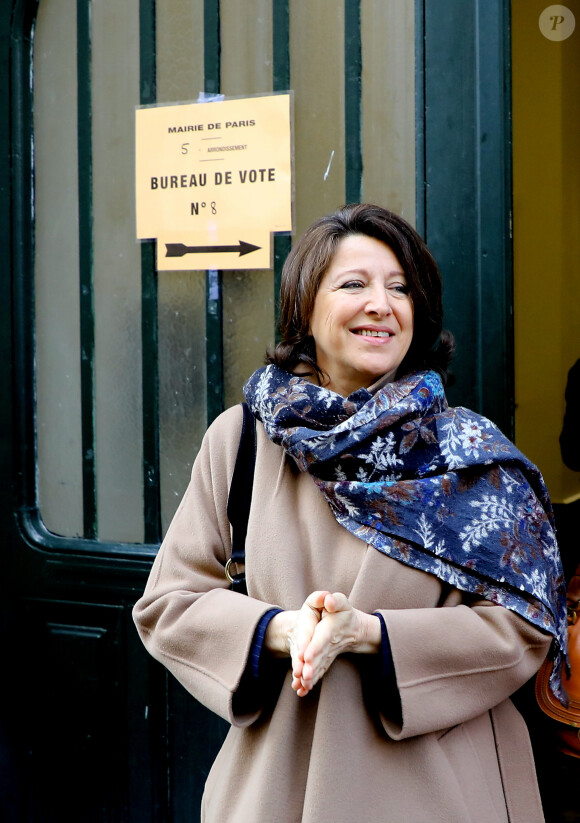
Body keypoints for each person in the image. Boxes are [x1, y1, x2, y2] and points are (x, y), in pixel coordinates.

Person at [133, 204, 567, 823]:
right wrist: (281, 632)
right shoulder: (244, 441)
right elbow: (170, 601)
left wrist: (372, 635)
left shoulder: (470, 453)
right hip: (282, 783)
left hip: (443, 787)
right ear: (305, 309)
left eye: (400, 289)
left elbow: (524, 626)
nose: (381, 305)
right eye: (354, 284)